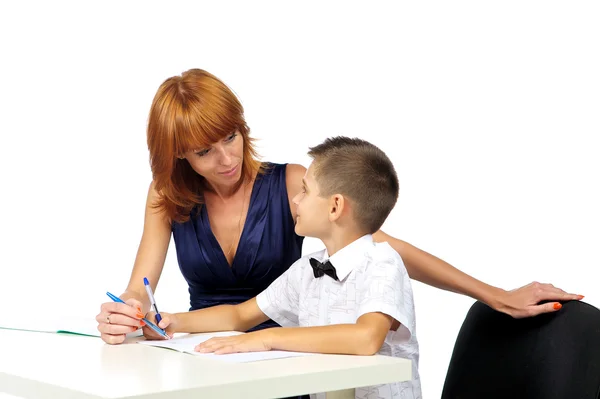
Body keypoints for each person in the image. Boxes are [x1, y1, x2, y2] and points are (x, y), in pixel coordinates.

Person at [95, 68, 582, 345]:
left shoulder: (291, 186)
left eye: (232, 136)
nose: (227, 158)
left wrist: (493, 293)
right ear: (178, 153)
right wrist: (135, 313)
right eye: (205, 151)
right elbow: (143, 288)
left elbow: (378, 245)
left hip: (293, 357)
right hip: (208, 349)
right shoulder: (166, 196)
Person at [143, 136, 422, 399]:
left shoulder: (383, 263)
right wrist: (173, 322)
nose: (295, 199)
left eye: (305, 191)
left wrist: (267, 339)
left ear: (335, 207)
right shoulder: (306, 271)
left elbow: (366, 338)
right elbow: (240, 315)